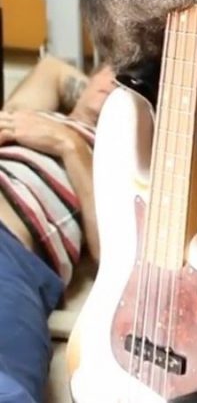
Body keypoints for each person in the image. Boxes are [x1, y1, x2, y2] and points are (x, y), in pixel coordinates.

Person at [0, 56, 116, 403]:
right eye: (115, 70)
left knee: (11, 379)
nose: (118, 83)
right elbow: (50, 69)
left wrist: (70, 145)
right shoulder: (28, 118)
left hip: (13, 258)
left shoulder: (124, 158)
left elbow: (110, 255)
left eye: (135, 82)